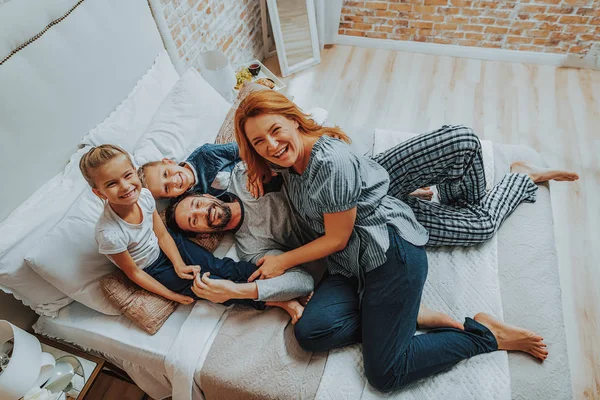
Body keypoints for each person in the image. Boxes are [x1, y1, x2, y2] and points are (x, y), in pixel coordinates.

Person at [231, 90, 566, 393]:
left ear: (293, 120)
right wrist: (257, 166)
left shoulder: (330, 163)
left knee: (386, 373)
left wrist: (282, 261)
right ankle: (407, 314)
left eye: (275, 131)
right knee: (311, 332)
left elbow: (337, 237)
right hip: (349, 264)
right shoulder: (284, 164)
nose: (271, 145)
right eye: (260, 142)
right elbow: (234, 153)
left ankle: (484, 334)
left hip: (387, 255)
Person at [165, 162, 462, 331]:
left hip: (355, 188)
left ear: (204, 194)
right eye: (195, 222)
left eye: (197, 205)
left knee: (455, 148)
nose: (203, 213)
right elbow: (302, 280)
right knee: (474, 225)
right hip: (354, 229)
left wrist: (258, 165)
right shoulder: (251, 248)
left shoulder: (245, 175)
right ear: (202, 234)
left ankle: (413, 191)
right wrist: (239, 290)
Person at [78, 144, 308, 321]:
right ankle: (279, 302)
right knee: (208, 285)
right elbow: (135, 274)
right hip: (152, 268)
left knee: (219, 266)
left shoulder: (145, 197)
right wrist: (173, 296)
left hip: (170, 246)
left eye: (128, 176)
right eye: (112, 184)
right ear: (99, 193)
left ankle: (274, 280)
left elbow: (162, 235)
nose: (126, 187)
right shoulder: (109, 233)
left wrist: (178, 262)